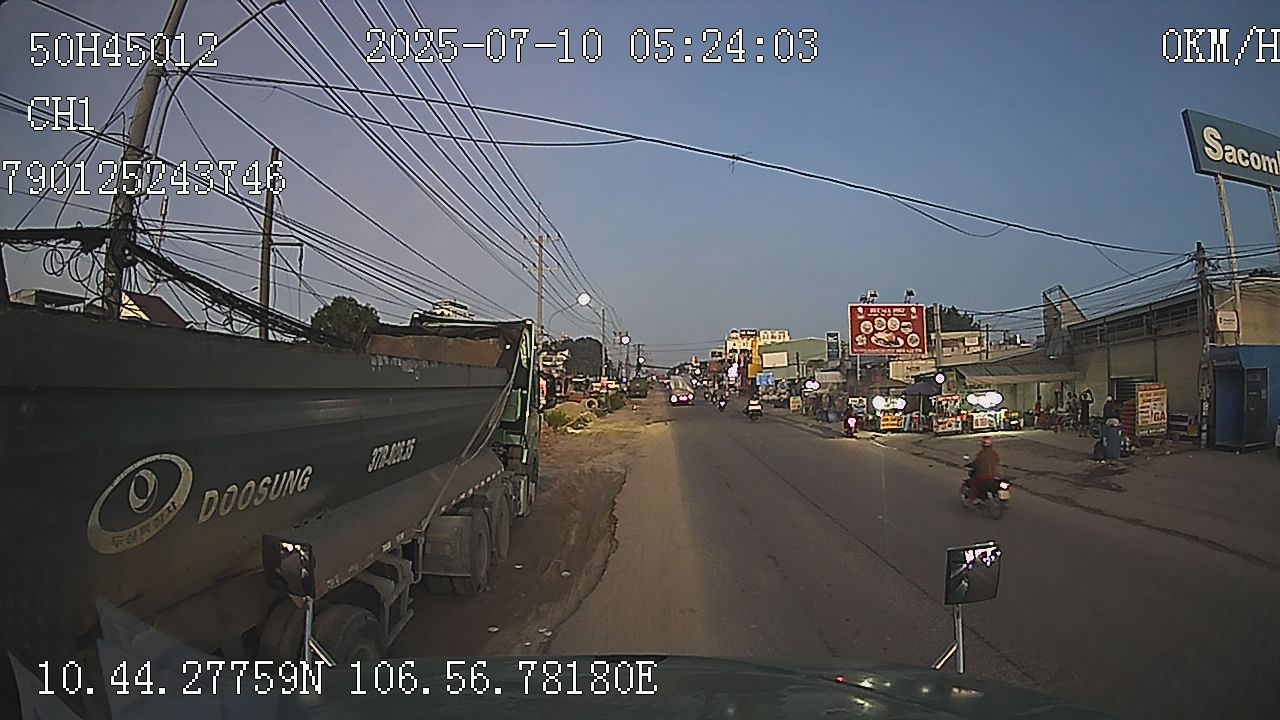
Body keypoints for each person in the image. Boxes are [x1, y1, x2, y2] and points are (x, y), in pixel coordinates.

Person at [964, 438, 1001, 502]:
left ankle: (975, 499)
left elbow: (976, 463)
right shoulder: (994, 453)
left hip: (983, 476)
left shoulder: (981, 454)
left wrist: (969, 465)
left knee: (973, 482)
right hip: (993, 476)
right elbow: (997, 461)